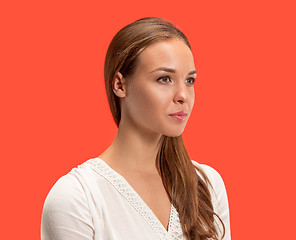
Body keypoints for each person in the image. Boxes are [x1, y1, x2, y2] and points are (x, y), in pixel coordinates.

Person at [41, 17, 231, 240]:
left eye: (189, 80)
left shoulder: (206, 184)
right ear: (120, 85)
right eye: (164, 79)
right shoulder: (77, 197)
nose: (183, 95)